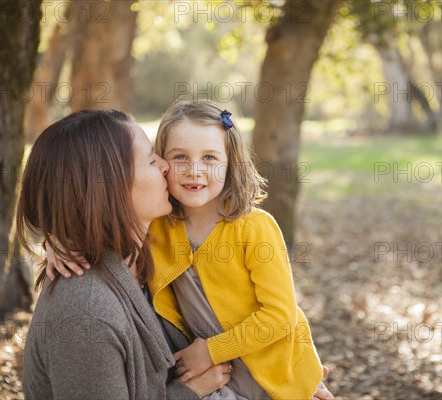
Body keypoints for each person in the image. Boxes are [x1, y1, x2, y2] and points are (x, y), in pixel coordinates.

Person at [48, 102, 335, 400]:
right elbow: (100, 216)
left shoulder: (254, 227)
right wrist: (61, 239)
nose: (194, 171)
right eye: (180, 157)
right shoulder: (158, 225)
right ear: (162, 162)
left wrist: (210, 351)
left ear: (231, 163)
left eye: (209, 157)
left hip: (271, 373)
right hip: (216, 379)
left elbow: (281, 315)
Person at [18, 109, 232, 400]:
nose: (167, 165)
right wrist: (189, 392)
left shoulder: (156, 249)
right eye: (150, 159)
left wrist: (296, 378)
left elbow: (258, 301)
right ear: (109, 187)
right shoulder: (87, 314)